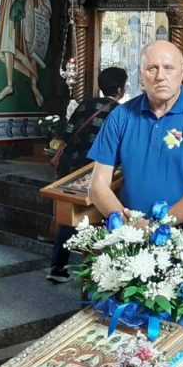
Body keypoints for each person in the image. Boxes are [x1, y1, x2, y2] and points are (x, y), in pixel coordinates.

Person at [88, 41, 183, 242]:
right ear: (141, 75)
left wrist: (158, 226)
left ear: (182, 71)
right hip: (129, 234)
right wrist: (131, 225)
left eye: (168, 68)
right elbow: (97, 186)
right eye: (152, 68)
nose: (160, 76)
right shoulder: (121, 116)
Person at [46, 66, 129, 283]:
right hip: (95, 173)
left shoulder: (85, 104)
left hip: (70, 169)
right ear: (120, 89)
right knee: (98, 219)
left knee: (69, 217)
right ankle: (96, 273)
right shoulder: (121, 112)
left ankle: (58, 268)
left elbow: (67, 133)